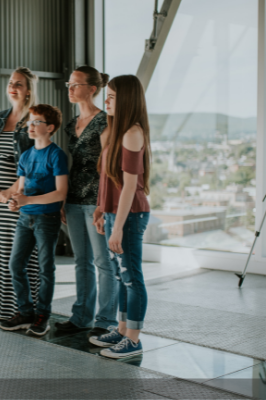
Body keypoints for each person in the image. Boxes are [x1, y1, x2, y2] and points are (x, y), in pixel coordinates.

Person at [88, 75, 152, 358]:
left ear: (125, 99)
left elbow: (129, 186)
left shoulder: (132, 133)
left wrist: (118, 228)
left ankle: (134, 340)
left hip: (131, 215)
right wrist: (102, 209)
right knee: (121, 274)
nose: (106, 101)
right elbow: (109, 179)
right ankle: (123, 329)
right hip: (116, 213)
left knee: (131, 277)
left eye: (111, 96)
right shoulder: (118, 132)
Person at [53, 67, 118, 337]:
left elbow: (108, 166)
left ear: (92, 88)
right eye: (69, 83)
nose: (70, 88)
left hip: (96, 200)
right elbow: (70, 165)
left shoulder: (104, 122)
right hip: (74, 199)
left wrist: (103, 205)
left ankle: (105, 321)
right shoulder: (71, 124)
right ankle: (80, 317)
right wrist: (62, 200)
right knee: (81, 260)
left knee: (104, 261)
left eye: (75, 84)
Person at [0, 104, 68, 336]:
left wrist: (27, 200)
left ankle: (42, 316)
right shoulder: (26, 155)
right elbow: (20, 188)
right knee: (15, 265)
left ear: (50, 128)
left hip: (46, 219)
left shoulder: (56, 155)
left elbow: (60, 193)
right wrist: (15, 201)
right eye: (30, 121)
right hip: (25, 219)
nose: (30, 125)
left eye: (36, 122)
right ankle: (26, 313)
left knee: (45, 268)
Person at [0, 67, 40, 320]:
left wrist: (11, 192)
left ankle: (18, 310)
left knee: (17, 255)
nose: (13, 86)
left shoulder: (34, 120)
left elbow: (35, 161)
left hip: (18, 198)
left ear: (28, 92)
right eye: (11, 82)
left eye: (19, 84)